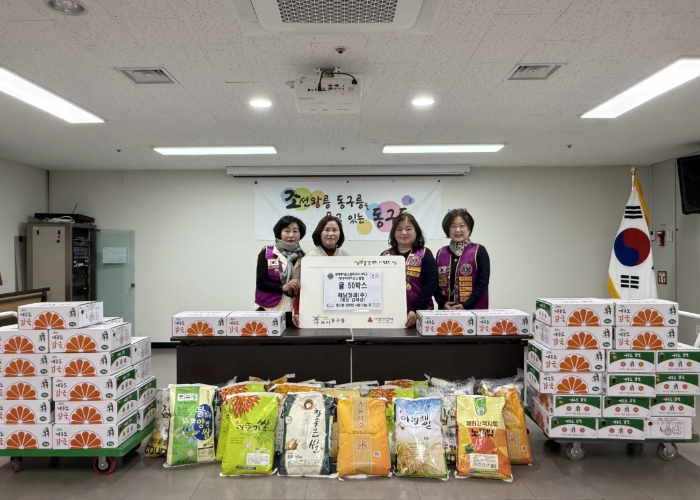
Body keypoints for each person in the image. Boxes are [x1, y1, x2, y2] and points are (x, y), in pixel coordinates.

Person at [381, 213, 438, 328]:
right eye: (399, 229)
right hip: (392, 315)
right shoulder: (385, 255)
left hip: (420, 313)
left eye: (408, 229)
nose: (404, 232)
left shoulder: (424, 253)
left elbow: (430, 284)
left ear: (416, 231)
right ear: (393, 233)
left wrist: (416, 310)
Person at [255, 215, 306, 327]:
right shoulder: (267, 253)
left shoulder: (304, 257)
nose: (291, 235)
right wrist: (283, 287)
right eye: (287, 231)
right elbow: (261, 282)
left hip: (295, 312)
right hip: (269, 309)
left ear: (300, 234)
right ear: (279, 233)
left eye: (295, 231)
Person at [435, 208, 489, 310]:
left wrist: (466, 305)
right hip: (446, 311)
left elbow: (483, 283)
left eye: (462, 225)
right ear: (447, 229)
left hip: (473, 310)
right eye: (453, 226)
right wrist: (442, 303)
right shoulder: (441, 252)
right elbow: (434, 282)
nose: (457, 230)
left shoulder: (479, 250)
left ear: (469, 229)